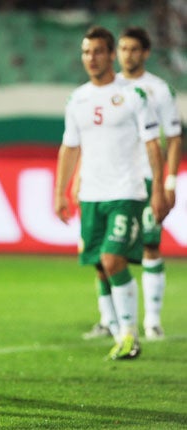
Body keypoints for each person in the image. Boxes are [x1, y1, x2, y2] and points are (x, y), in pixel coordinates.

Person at [54, 26, 168, 360]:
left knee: (112, 259)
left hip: (127, 192)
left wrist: (158, 189)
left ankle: (130, 334)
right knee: (100, 266)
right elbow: (70, 148)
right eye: (86, 52)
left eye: (98, 52)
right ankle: (121, 334)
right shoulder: (77, 98)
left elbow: (153, 145)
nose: (91, 58)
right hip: (91, 194)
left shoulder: (135, 95)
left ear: (110, 55)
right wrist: (61, 191)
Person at [115, 26, 182, 340]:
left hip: (146, 178)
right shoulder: (105, 89)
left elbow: (173, 137)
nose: (128, 54)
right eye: (123, 48)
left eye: (134, 49)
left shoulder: (159, 89)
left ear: (146, 53)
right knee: (107, 252)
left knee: (151, 246)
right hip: (113, 180)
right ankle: (109, 320)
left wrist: (168, 181)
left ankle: (152, 320)